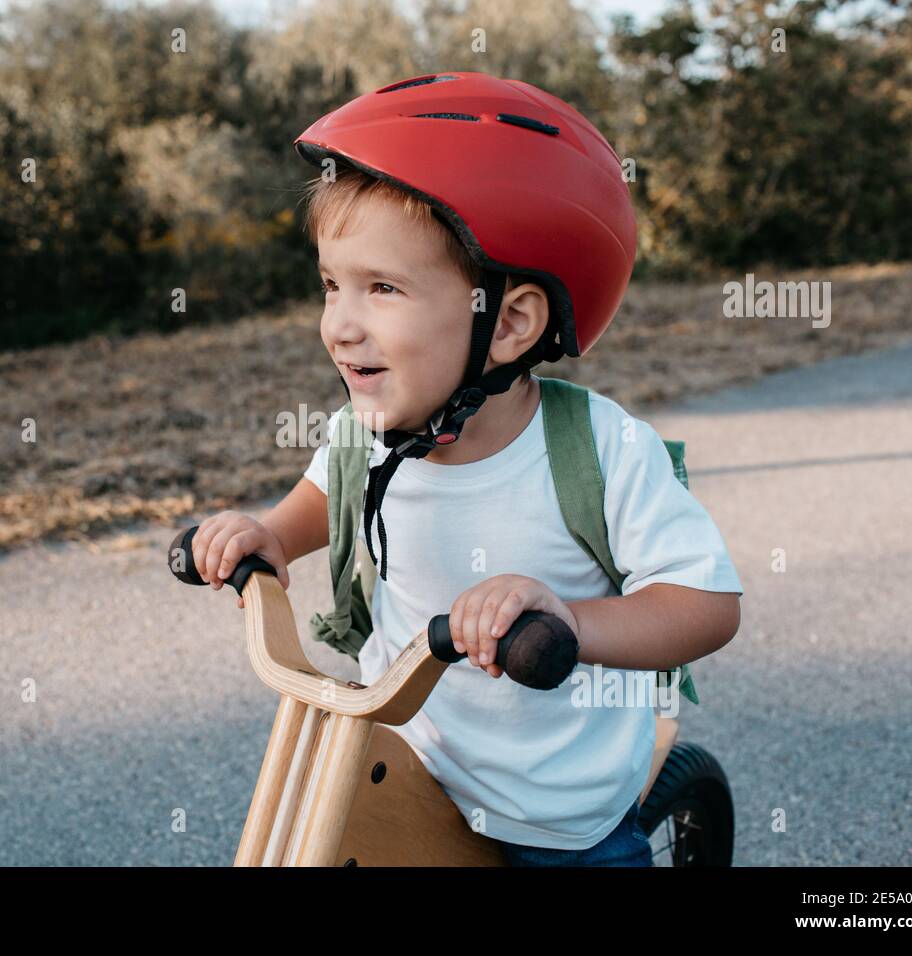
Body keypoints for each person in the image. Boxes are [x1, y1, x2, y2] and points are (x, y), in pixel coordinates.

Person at [188, 72, 743, 866]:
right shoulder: (365, 432)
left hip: (552, 810)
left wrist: (569, 621)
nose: (339, 325)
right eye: (331, 285)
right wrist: (269, 534)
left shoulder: (601, 451)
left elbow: (707, 606)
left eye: (382, 288)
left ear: (511, 322)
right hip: (400, 760)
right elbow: (326, 491)